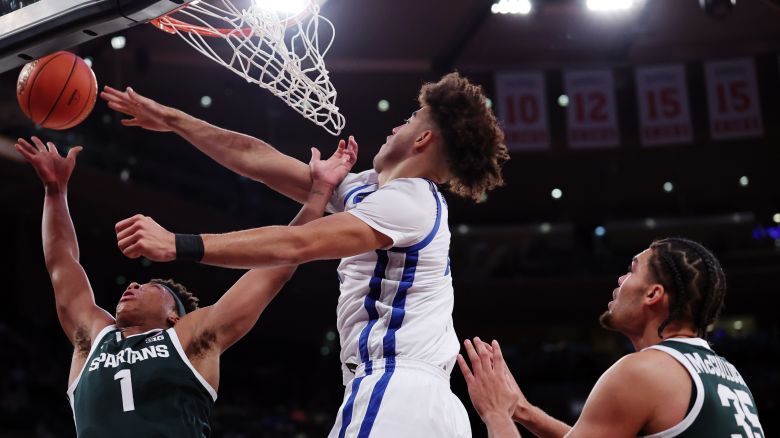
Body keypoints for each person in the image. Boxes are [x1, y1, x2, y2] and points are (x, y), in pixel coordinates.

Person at [100, 72, 509, 437]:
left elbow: (298, 243)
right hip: (423, 403)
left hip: (396, 388)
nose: (394, 126)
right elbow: (258, 161)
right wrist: (173, 120)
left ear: (422, 139)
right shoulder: (375, 192)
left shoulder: (412, 200)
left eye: (410, 119)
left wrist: (179, 243)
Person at [14, 135, 354, 437]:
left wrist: (320, 191)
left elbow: (274, 270)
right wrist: (55, 192)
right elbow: (62, 264)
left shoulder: (190, 339)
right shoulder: (94, 337)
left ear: (173, 316)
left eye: (151, 287)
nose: (133, 284)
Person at [458, 238, 765, 438]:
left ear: (653, 295)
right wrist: (524, 411)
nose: (620, 280)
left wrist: (496, 413)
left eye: (631, 270)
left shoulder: (643, 372)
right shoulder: (727, 373)